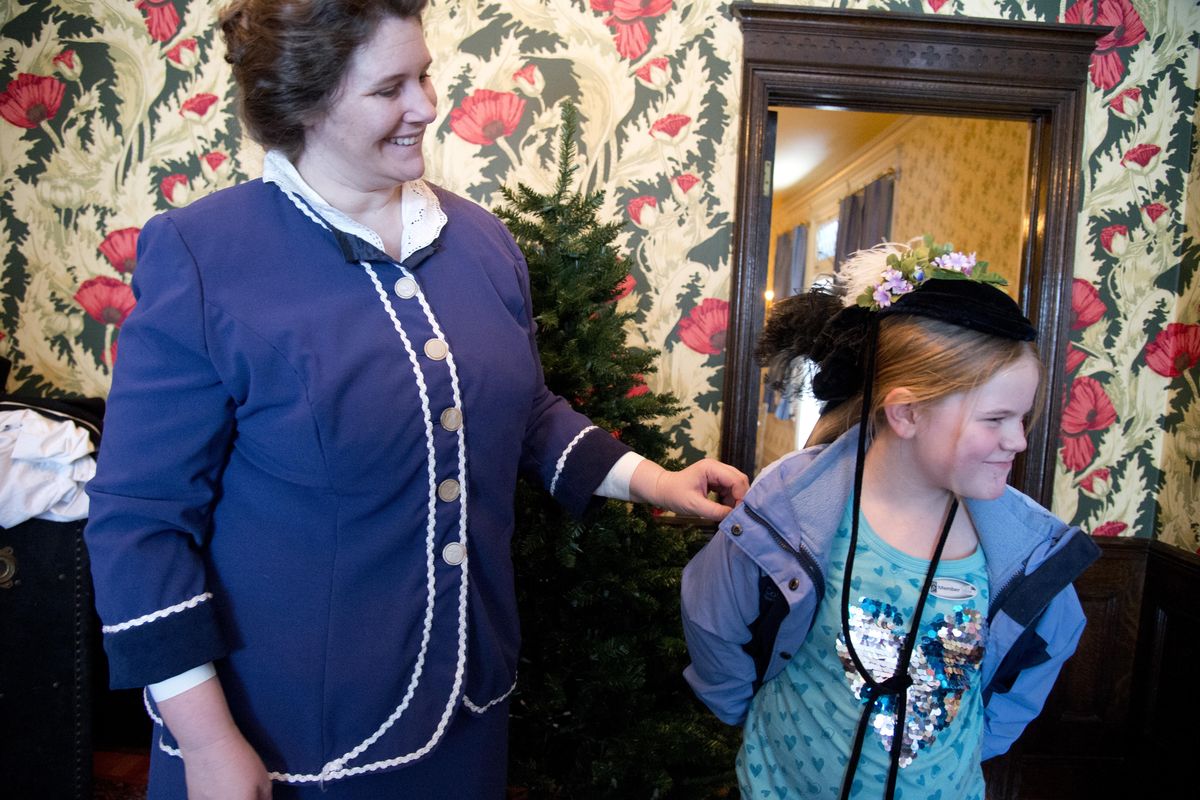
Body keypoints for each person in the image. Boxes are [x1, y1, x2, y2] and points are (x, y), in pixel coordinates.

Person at [83, 1, 748, 797]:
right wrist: (208, 740)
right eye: (390, 87)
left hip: (467, 710)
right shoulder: (204, 254)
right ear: (305, 102)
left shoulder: (481, 243)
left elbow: (521, 408)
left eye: (424, 74)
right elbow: (140, 522)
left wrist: (652, 480)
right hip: (278, 738)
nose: (428, 106)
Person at [680, 239, 1099, 800]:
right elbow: (713, 613)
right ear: (907, 412)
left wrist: (980, 740)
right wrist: (738, 707)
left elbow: (1047, 649)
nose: (1018, 441)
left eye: (1022, 418)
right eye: (997, 418)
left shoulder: (1027, 548)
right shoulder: (792, 507)